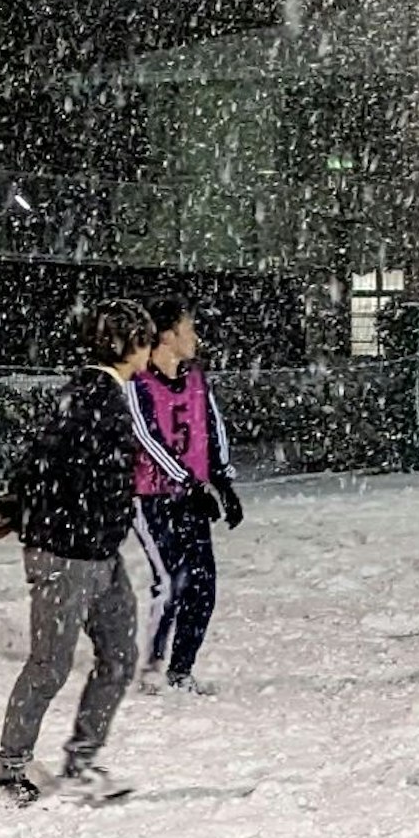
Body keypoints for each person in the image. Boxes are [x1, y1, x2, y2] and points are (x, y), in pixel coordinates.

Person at [0, 300, 165, 803]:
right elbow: (52, 462)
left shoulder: (97, 394)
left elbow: (40, 457)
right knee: (51, 665)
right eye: (146, 341)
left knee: (119, 655)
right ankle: (9, 774)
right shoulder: (93, 398)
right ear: (132, 345)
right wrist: (27, 512)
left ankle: (82, 761)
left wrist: (15, 506)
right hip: (67, 553)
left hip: (96, 552)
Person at [130, 297, 245, 696]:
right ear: (167, 335)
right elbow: (148, 439)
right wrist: (188, 481)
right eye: (188, 328)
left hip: (189, 498)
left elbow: (212, 427)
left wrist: (223, 482)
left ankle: (182, 668)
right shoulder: (139, 383)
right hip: (151, 498)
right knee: (171, 581)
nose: (195, 336)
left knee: (204, 584)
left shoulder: (196, 378)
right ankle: (153, 667)